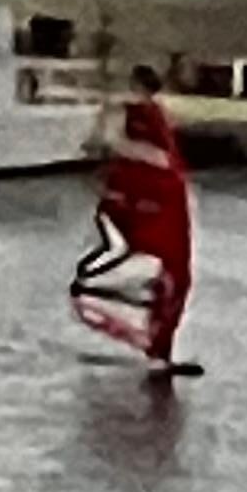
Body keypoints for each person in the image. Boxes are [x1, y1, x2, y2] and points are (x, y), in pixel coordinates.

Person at [71, 74, 193, 372]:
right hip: (152, 202)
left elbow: (158, 157)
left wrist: (115, 142)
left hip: (154, 200)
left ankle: (155, 343)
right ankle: (155, 344)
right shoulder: (144, 116)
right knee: (166, 270)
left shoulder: (146, 117)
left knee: (162, 269)